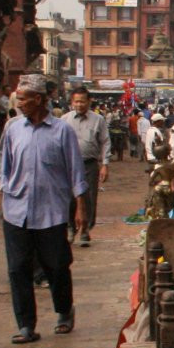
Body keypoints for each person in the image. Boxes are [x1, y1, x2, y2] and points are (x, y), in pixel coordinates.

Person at [0, 72, 85, 343]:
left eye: (23, 99)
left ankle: (64, 312)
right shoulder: (12, 128)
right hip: (16, 211)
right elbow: (2, 161)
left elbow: (76, 171)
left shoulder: (62, 130)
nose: (19, 103)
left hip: (52, 212)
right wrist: (5, 185)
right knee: (18, 268)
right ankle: (25, 324)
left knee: (56, 266)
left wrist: (80, 208)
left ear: (39, 99)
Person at [63, 86, 111, 246]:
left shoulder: (98, 120)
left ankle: (85, 229)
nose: (79, 104)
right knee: (69, 197)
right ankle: (70, 228)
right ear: (72, 102)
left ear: (89, 102)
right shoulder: (64, 120)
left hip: (89, 164)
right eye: (76, 101)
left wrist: (105, 164)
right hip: (68, 165)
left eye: (82, 101)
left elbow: (105, 142)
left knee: (89, 197)